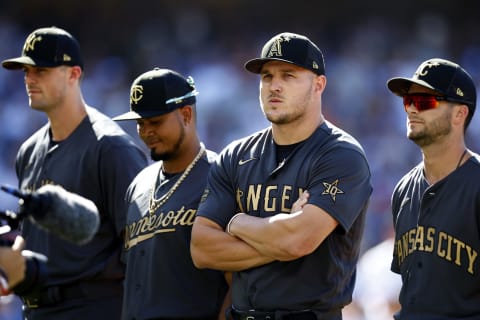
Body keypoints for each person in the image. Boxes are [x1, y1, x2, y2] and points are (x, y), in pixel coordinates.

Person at [190, 32, 372, 319]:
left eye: (288, 75)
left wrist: (236, 222)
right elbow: (201, 249)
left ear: (318, 84)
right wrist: (280, 239)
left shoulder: (341, 155)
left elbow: (299, 240)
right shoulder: (235, 155)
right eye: (266, 76)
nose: (274, 86)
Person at [1, 26, 148, 319]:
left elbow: (145, 252)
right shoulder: (29, 152)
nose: (29, 78)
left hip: (95, 309)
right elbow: (39, 241)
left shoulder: (112, 149)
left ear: (74, 74)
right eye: (25, 70)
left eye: (41, 70)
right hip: (37, 309)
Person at [113, 68, 230, 320]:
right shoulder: (138, 184)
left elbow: (238, 280)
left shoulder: (219, 176)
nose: (146, 132)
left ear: (186, 114)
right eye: (140, 123)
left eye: (155, 121)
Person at [386, 58, 480, 319]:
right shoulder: (403, 190)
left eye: (425, 101)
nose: (413, 109)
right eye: (409, 101)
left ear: (460, 113)